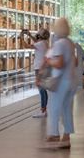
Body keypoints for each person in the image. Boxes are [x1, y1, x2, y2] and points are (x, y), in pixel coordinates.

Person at [43, 18, 77, 149]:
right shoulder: (70, 43)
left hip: (60, 81)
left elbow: (59, 63)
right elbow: (75, 62)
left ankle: (54, 133)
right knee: (67, 109)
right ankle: (66, 137)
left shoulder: (59, 44)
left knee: (54, 107)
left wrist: (48, 61)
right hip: (71, 80)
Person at [29, 29, 51, 118]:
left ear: (41, 35)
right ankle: (44, 109)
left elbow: (26, 45)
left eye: (40, 31)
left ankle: (43, 111)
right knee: (43, 89)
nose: (38, 32)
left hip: (39, 68)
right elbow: (36, 43)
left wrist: (21, 36)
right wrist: (30, 35)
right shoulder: (44, 43)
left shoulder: (40, 44)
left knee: (41, 89)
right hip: (44, 67)